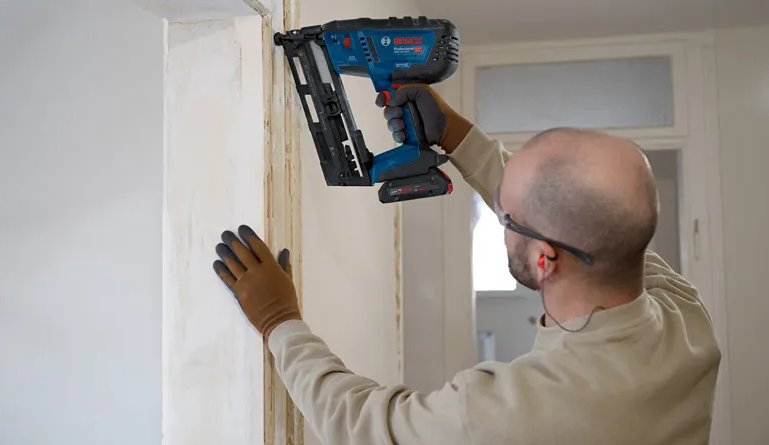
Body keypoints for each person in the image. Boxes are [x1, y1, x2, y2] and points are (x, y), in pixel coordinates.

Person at [212, 84, 721, 445]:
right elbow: (587, 215)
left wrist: (280, 321)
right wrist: (456, 135)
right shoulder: (686, 317)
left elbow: (363, 425)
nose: (499, 219)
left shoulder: (512, 413)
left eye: (507, 217)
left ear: (545, 259)